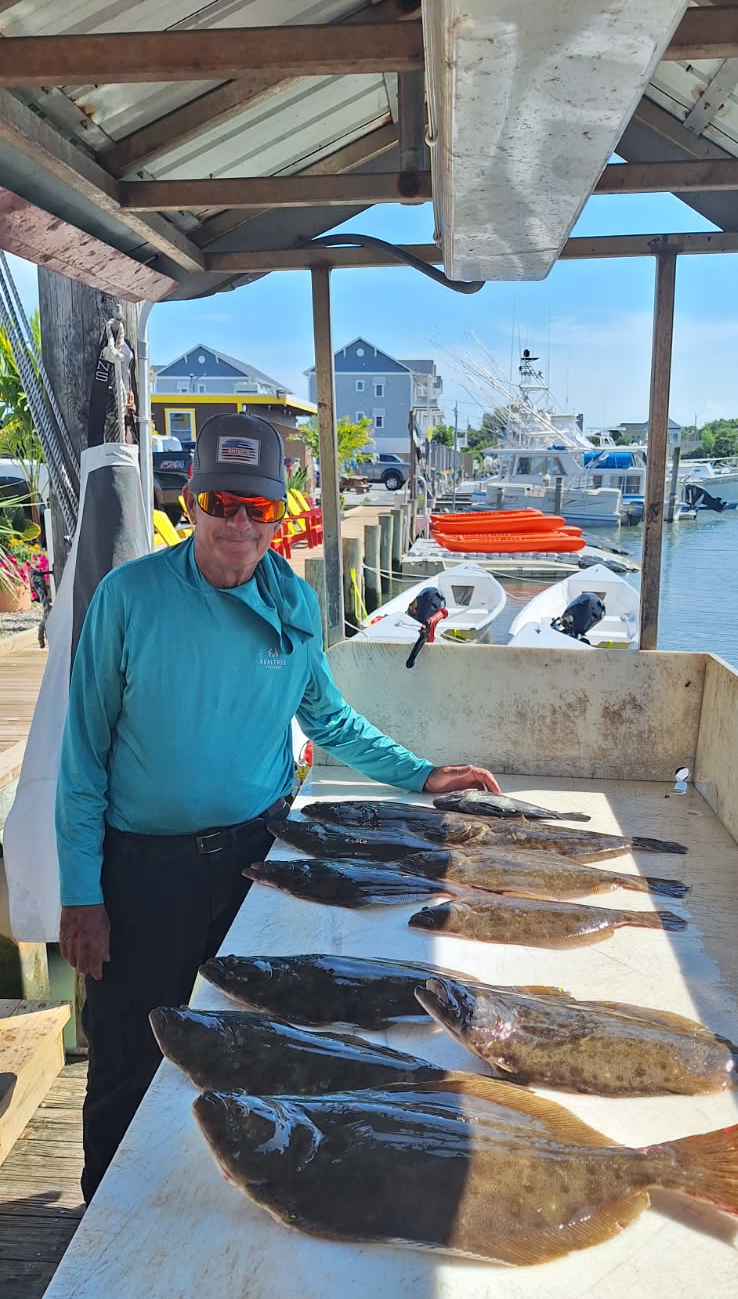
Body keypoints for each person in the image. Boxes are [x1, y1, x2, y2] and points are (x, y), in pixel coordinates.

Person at [57, 413, 501, 1202]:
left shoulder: (293, 603)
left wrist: (420, 775)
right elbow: (83, 754)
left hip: (256, 864)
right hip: (144, 872)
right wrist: (81, 893)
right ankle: (101, 1217)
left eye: (257, 508)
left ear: (280, 515)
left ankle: (223, 1189)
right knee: (128, 1051)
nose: (237, 523)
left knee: (260, 1035)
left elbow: (326, 717)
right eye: (222, 503)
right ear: (190, 500)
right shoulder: (129, 598)